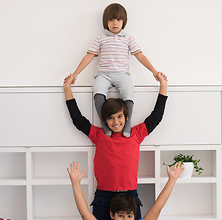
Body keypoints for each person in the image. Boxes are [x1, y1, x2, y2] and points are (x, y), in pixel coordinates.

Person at [63, 72, 168, 220]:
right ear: (105, 120)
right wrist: (67, 89)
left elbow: (156, 117)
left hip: (129, 195)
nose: (116, 121)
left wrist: (163, 86)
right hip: (104, 196)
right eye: (111, 118)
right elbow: (78, 120)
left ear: (126, 117)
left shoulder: (136, 134)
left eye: (119, 117)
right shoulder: (99, 135)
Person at [65, 3, 166, 138]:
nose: (114, 23)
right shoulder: (100, 39)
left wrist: (154, 71)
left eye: (118, 19)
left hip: (122, 74)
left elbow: (140, 55)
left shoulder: (128, 39)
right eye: (111, 19)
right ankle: (105, 124)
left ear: (123, 21)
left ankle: (127, 123)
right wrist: (76, 73)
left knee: (128, 92)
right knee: (98, 93)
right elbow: (89, 56)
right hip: (104, 75)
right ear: (106, 21)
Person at [67, 161, 184, 220]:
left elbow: (157, 207)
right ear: (112, 215)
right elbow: (84, 214)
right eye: (121, 215)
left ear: (134, 217)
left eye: (129, 216)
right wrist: (75, 183)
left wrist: (172, 179)